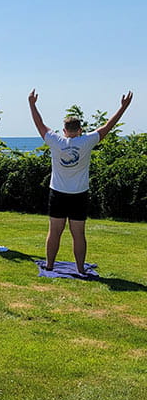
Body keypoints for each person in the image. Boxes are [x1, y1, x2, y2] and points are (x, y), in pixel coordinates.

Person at [28, 89, 133, 274]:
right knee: (78, 234)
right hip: (79, 194)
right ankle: (80, 270)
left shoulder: (55, 140)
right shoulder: (87, 141)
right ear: (80, 130)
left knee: (54, 232)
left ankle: (50, 266)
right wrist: (123, 107)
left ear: (64, 131)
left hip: (58, 193)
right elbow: (108, 126)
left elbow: (39, 124)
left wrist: (32, 104)